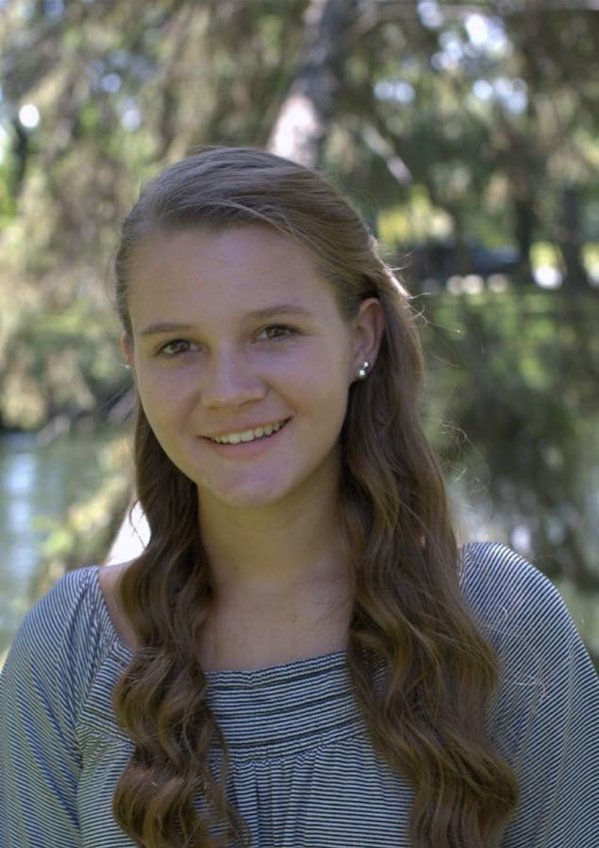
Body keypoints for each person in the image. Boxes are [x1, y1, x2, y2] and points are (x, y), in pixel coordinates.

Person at [1, 146, 598, 848]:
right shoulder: (68, 652)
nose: (228, 390)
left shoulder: (504, 624)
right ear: (134, 361)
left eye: (274, 332)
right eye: (178, 347)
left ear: (359, 337)